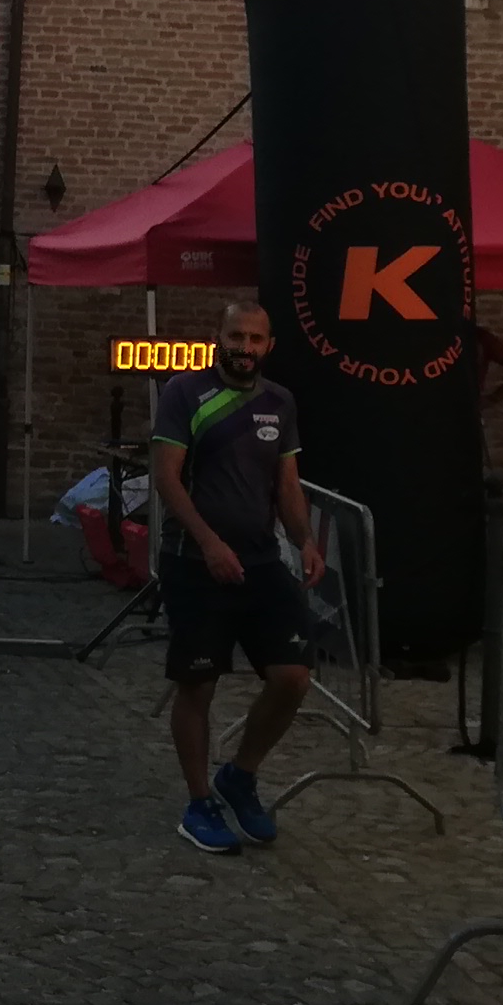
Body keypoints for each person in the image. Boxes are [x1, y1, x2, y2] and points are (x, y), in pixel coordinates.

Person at [148, 299, 322, 856]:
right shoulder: (184, 393)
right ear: (218, 338)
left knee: (293, 675)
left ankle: (240, 776)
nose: (244, 347)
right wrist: (208, 542)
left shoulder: (280, 402)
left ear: (269, 346)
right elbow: (166, 478)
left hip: (261, 561)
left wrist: (304, 539)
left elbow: (287, 484)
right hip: (195, 561)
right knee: (198, 683)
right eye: (236, 336)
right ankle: (199, 802)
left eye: (254, 339)